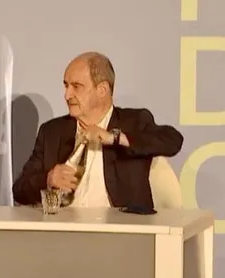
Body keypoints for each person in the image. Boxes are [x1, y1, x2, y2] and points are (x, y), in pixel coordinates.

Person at [12, 52, 183, 209]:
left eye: (76, 86)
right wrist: (47, 179)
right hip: (64, 228)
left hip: (121, 227)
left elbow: (172, 141)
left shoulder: (134, 121)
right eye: (66, 86)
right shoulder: (52, 132)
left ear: (102, 90)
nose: (67, 95)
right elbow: (19, 190)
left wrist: (114, 138)